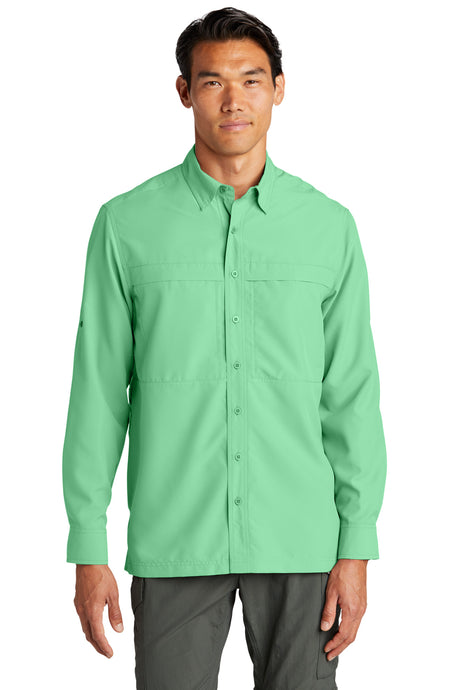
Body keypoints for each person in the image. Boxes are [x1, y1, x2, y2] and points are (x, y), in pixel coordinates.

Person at [62, 7, 387, 689]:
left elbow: (351, 398)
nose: (234, 100)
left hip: (302, 543)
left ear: (279, 89)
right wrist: (88, 546)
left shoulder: (329, 228)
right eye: (212, 82)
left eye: (251, 80)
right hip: (174, 540)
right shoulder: (125, 225)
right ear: (184, 91)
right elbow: (98, 395)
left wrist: (356, 547)